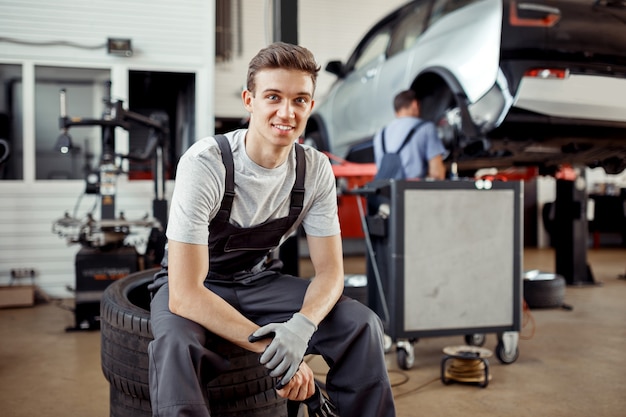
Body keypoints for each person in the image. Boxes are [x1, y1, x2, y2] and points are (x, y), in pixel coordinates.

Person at [147, 42, 396, 417]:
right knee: (176, 345)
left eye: (299, 100)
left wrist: (301, 325)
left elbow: (330, 273)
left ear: (311, 106)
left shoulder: (314, 170)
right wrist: (275, 349)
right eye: (273, 97)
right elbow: (183, 294)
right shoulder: (206, 164)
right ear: (249, 101)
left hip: (258, 281)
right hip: (197, 283)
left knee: (361, 325)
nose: (286, 112)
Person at [373, 89, 446, 181]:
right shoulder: (426, 128)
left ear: (396, 111)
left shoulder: (380, 134)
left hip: (385, 193)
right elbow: (437, 174)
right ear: (415, 104)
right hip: (411, 192)